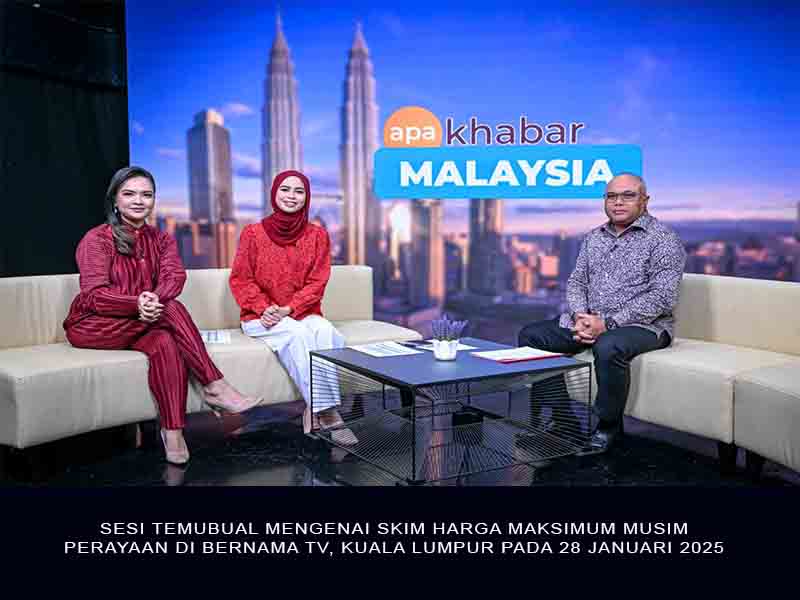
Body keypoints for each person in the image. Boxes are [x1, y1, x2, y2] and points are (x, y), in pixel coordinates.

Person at [63, 166, 262, 466]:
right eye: (129, 194)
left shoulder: (161, 239)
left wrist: (150, 301)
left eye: (146, 195)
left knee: (165, 342)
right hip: (94, 325)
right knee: (171, 309)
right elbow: (93, 295)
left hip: (144, 321)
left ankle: (173, 433)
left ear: (154, 200)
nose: (138, 201)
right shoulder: (97, 239)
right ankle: (215, 385)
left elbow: (175, 277)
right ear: (115, 199)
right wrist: (136, 303)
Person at [518, 173, 687, 455]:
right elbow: (576, 282)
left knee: (609, 345)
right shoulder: (593, 238)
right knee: (531, 336)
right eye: (611, 196)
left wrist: (608, 324)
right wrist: (579, 316)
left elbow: (662, 296)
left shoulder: (664, 240)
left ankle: (609, 428)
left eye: (628, 195)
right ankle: (563, 421)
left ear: (644, 201)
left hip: (644, 326)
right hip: (590, 319)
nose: (618, 202)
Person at [229, 170, 357, 445]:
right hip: (259, 316)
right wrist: (264, 307)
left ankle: (314, 407)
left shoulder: (318, 235)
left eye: (299, 191)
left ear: (306, 198)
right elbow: (241, 279)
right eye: (285, 189)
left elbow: (317, 282)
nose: (291, 196)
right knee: (297, 334)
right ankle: (329, 414)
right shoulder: (252, 233)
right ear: (274, 193)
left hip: (302, 312)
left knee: (326, 332)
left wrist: (289, 308)